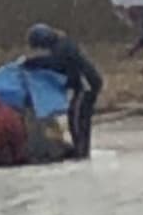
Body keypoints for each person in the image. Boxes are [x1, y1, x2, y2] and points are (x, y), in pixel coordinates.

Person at [22, 23, 102, 159]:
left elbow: (55, 63)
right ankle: (81, 149)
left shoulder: (62, 47)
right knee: (78, 116)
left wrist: (32, 63)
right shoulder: (62, 44)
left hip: (85, 85)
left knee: (77, 117)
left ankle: (81, 151)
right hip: (84, 84)